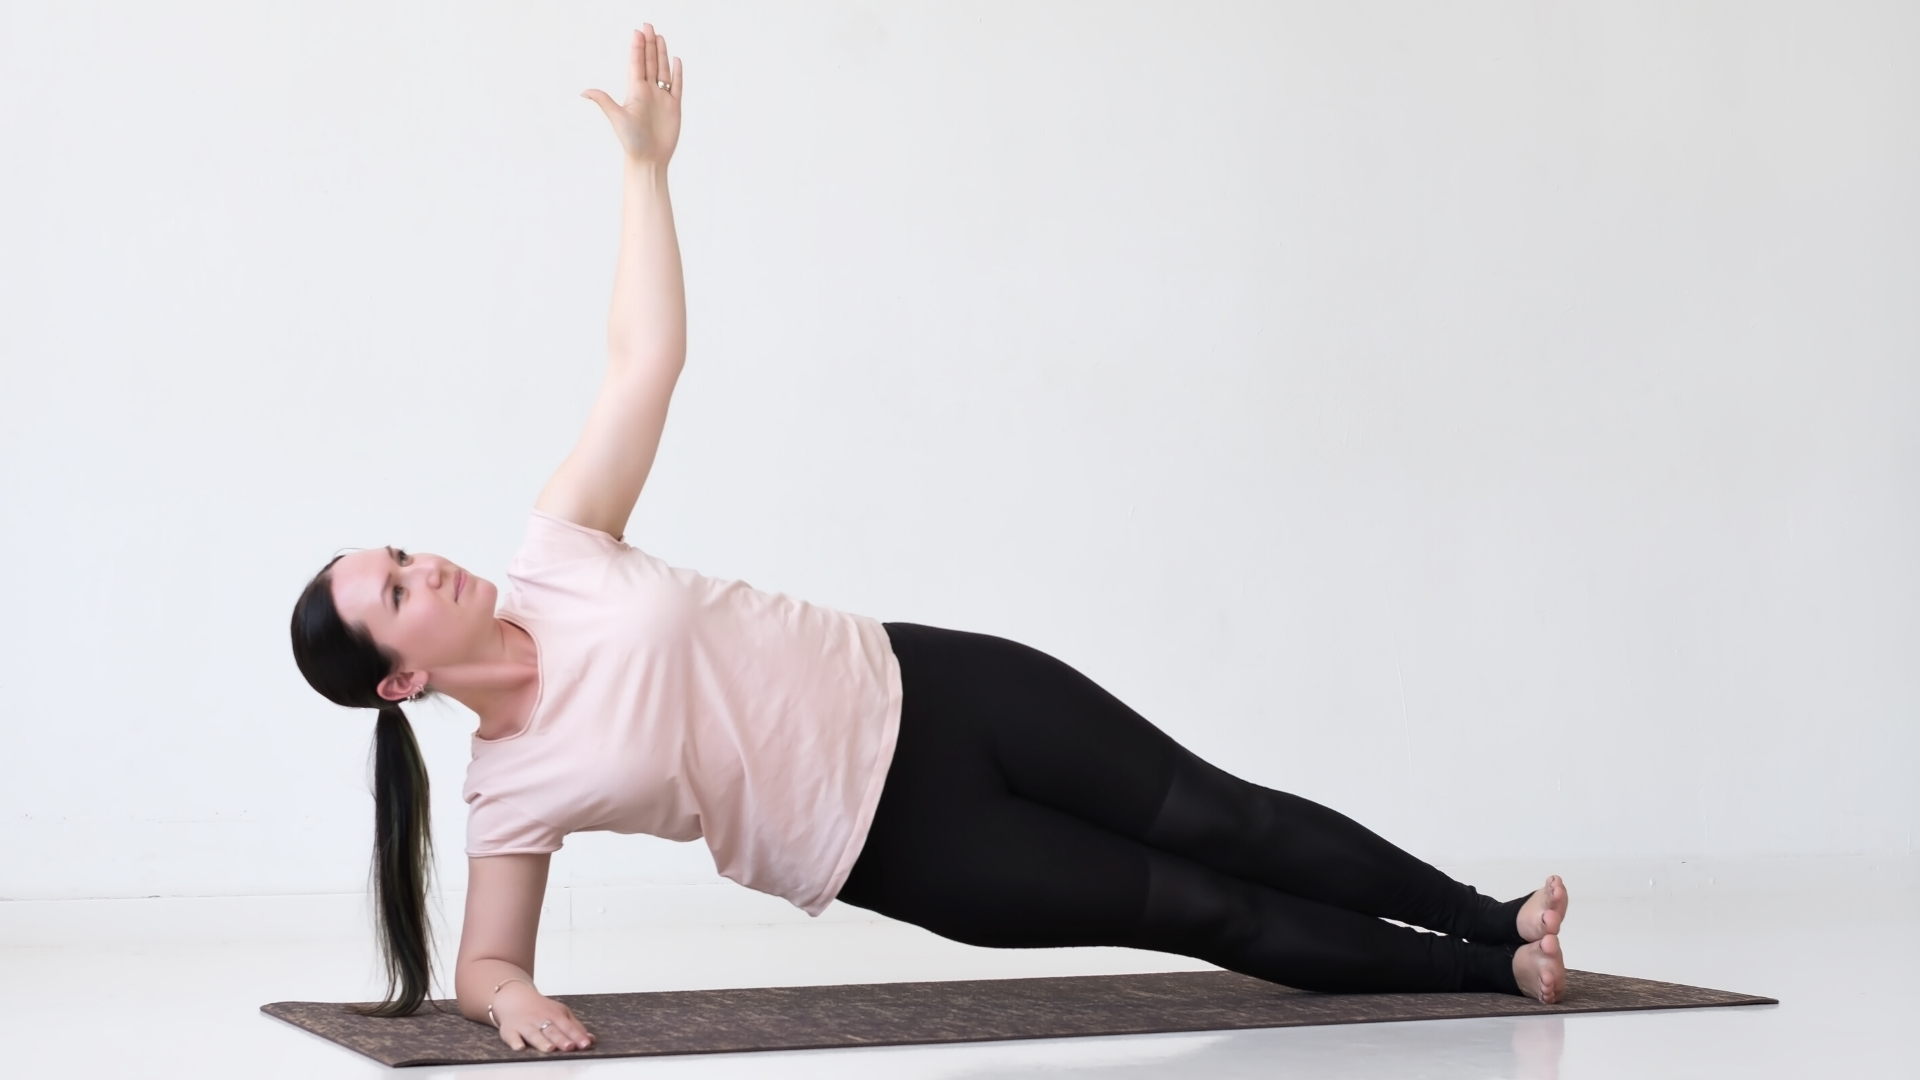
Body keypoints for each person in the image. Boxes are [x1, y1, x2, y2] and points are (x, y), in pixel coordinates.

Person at [289, 27, 1569, 1055]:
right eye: (396, 591)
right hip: (905, 846)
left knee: (1222, 815)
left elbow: (647, 360)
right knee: (1203, 907)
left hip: (936, 682)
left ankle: (1489, 914)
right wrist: (504, 1001)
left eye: (401, 553)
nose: (427, 566)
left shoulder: (557, 549)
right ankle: (1499, 976)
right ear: (400, 677)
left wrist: (645, 172)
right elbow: (485, 967)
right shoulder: (506, 792)